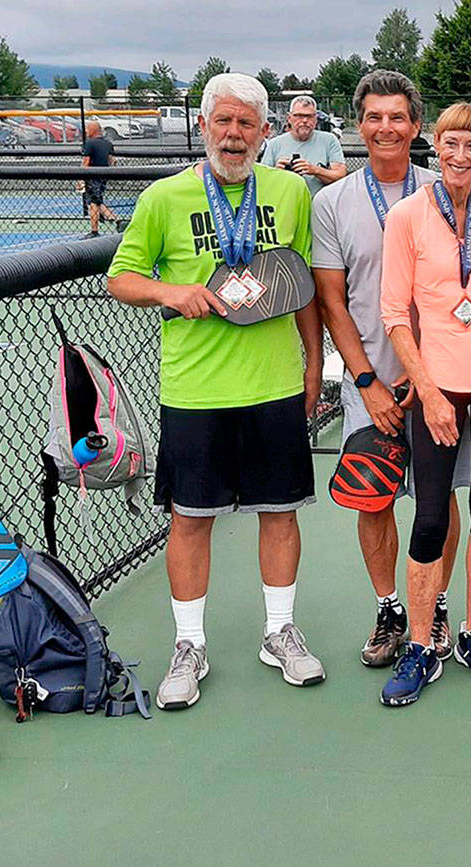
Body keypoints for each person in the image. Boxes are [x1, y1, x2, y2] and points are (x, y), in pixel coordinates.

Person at [107, 73, 326, 710]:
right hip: (194, 389)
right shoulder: (164, 197)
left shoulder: (290, 191)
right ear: (204, 126)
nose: (234, 135)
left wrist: (314, 365)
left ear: (266, 131)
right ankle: (189, 644)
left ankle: (279, 631)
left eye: (246, 124)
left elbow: (303, 283)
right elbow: (122, 278)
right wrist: (170, 292)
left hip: (274, 383)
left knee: (280, 510)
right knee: (191, 518)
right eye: (223, 122)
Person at [311, 70, 471, 668]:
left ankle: (435, 606)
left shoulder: (452, 188)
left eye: (398, 117)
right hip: (371, 383)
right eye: (374, 117)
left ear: (416, 125)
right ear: (359, 125)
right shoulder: (332, 204)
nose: (386, 127)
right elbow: (332, 301)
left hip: (442, 379)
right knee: (373, 499)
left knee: (441, 496)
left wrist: (427, 379)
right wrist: (367, 383)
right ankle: (390, 609)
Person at [378, 102, 471, 706]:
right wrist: (429, 393)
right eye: (449, 143)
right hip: (437, 387)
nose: (459, 155)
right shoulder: (407, 216)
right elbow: (394, 315)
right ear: (433, 145)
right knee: (431, 515)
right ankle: (419, 644)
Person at [261, 95, 347, 196]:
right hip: (286, 205)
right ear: (289, 118)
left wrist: (314, 170)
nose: (305, 120)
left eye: (309, 116)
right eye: (299, 116)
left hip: (319, 207)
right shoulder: (274, 144)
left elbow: (340, 175)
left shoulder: (329, 140)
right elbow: (262, 182)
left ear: (316, 119)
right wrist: (277, 172)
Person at [80, 120, 119, 237]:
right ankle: (114, 219)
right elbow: (112, 160)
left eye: (88, 128)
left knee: (93, 203)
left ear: (93, 130)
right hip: (103, 175)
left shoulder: (89, 143)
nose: (86, 131)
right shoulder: (108, 143)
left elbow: (86, 162)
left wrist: (81, 178)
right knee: (97, 201)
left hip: (92, 176)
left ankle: (95, 230)